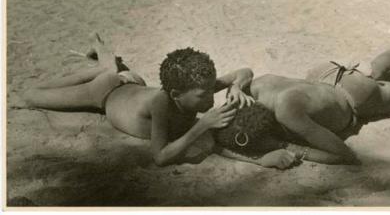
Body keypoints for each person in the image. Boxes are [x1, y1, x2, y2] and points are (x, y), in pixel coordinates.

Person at [216, 30, 390, 169]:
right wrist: (237, 85)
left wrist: (288, 146)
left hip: (353, 97)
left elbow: (343, 155)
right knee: (372, 70)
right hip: (325, 73)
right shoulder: (255, 89)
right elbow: (243, 73)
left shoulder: (288, 114)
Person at [22, 36, 255, 166]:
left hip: (134, 83)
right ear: (175, 94)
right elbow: (160, 156)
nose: (211, 97)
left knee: (119, 73)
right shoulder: (161, 104)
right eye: (204, 95)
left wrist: (235, 86)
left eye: (210, 90)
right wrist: (202, 125)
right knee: (31, 97)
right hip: (105, 91)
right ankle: (105, 66)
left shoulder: (196, 89)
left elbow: (244, 71)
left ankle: (108, 61)